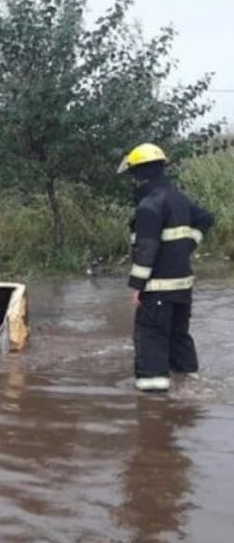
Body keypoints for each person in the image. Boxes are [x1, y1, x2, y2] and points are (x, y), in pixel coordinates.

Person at [117, 143, 214, 392]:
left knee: (151, 338)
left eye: (132, 175)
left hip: (157, 289)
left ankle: (153, 397)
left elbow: (146, 249)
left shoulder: (149, 205)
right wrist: (187, 245)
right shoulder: (177, 197)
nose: (132, 181)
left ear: (140, 173)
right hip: (183, 288)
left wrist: (136, 286)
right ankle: (189, 388)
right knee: (179, 337)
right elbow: (205, 218)